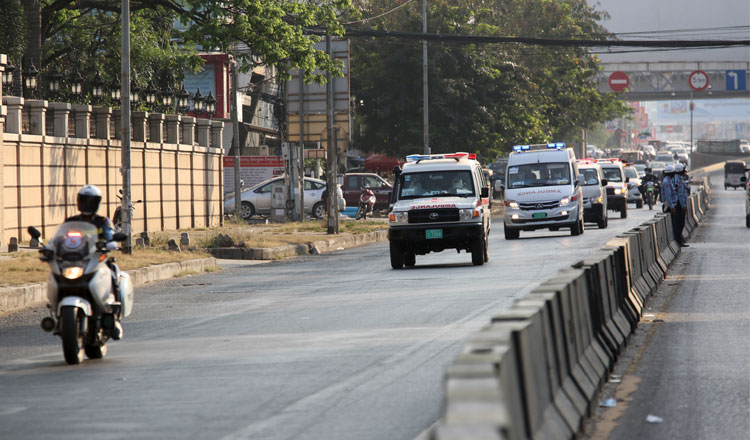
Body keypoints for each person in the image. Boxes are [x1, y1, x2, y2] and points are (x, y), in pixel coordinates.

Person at [65, 185, 124, 338]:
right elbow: (58, 239)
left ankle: (115, 314)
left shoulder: (103, 221)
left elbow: (110, 235)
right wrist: (50, 248)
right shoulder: (71, 221)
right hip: (76, 260)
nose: (87, 204)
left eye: (91, 201)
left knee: (112, 272)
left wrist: (110, 243)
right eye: (84, 200)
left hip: (96, 259)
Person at [661, 165, 689, 247]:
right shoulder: (667, 182)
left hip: (675, 204)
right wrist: (673, 207)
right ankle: (678, 240)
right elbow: (670, 195)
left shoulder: (670, 180)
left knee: (678, 223)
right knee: (677, 224)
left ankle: (679, 239)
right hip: (674, 205)